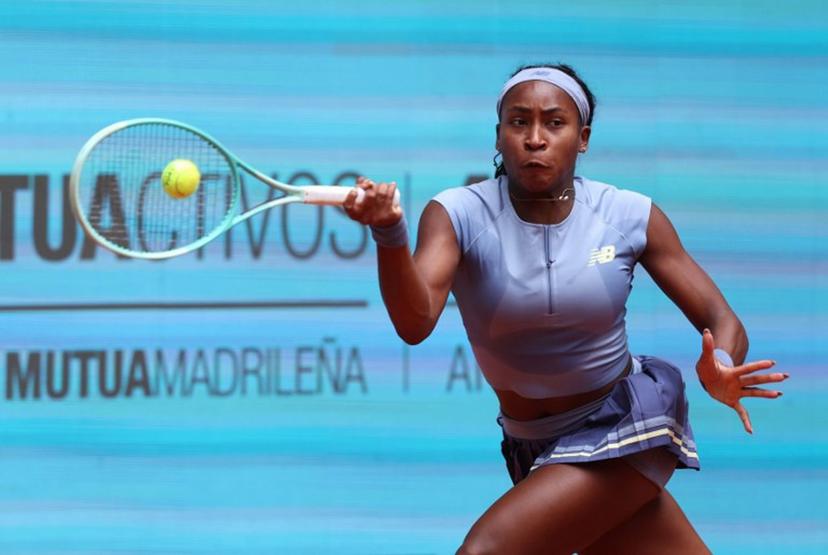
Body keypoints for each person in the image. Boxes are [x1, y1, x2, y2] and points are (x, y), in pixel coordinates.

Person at [343, 63, 788, 554]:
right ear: (499, 135)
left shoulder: (627, 214)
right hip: (531, 442)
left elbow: (721, 319)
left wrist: (719, 366)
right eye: (519, 122)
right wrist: (389, 234)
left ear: (583, 138)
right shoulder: (457, 214)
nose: (535, 138)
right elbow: (415, 322)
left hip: (623, 423)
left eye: (554, 123)